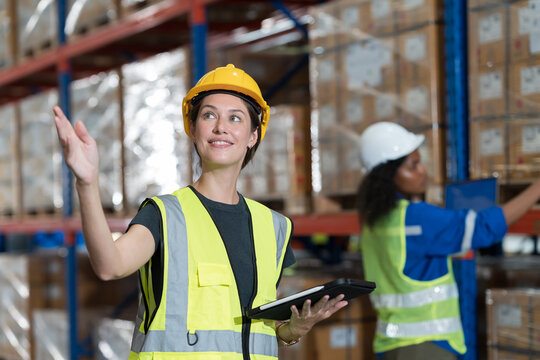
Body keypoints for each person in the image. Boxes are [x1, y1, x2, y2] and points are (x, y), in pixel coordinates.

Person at [53, 64, 347, 359]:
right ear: (193, 129)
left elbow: (251, 331)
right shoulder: (165, 215)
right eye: (209, 115)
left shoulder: (274, 226)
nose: (221, 127)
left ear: (253, 136)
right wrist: (86, 183)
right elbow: (110, 265)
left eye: (235, 118)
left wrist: (293, 330)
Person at [356, 121, 540, 360]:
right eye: (413, 166)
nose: (422, 171)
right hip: (424, 349)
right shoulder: (416, 218)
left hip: (389, 346)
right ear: (388, 175)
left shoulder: (373, 222)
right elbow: (485, 227)